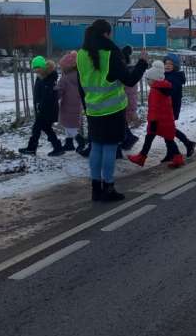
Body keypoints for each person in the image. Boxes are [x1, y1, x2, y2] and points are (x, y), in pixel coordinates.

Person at [77, 19, 148, 202]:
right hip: (112, 109)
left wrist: (87, 106)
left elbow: (80, 84)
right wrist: (142, 63)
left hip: (93, 110)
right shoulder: (111, 54)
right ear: (107, 34)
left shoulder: (81, 54)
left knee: (96, 147)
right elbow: (129, 80)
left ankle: (95, 188)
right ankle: (108, 186)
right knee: (109, 148)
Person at [127, 61, 185, 169]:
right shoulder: (165, 88)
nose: (147, 82)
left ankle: (141, 157)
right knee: (168, 139)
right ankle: (177, 157)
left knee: (152, 138)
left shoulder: (155, 91)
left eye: (148, 79)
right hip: (166, 120)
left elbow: (154, 108)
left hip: (157, 121)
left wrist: (153, 121)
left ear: (154, 79)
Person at [19, 56, 65, 157]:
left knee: (37, 128)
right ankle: (57, 147)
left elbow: (48, 97)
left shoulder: (48, 79)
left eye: (36, 68)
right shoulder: (41, 77)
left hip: (47, 110)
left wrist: (40, 106)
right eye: (34, 68)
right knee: (46, 128)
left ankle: (32, 148)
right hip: (43, 108)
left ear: (41, 67)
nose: (34, 71)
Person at [163, 53, 196, 158]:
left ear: (175, 66)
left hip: (171, 108)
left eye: (170, 64)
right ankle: (173, 151)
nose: (167, 65)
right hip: (165, 107)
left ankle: (187, 144)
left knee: (167, 129)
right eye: (166, 63)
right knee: (167, 130)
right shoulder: (166, 75)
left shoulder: (175, 77)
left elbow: (170, 92)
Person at [57, 51, 88, 154]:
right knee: (71, 125)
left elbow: (59, 92)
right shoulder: (81, 76)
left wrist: (54, 95)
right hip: (78, 105)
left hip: (67, 106)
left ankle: (81, 141)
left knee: (69, 127)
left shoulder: (64, 79)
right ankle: (69, 143)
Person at [120, 45, 140, 151]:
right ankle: (127, 140)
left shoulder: (123, 71)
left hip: (124, 100)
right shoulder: (132, 70)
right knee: (123, 121)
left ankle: (129, 139)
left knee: (122, 121)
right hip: (131, 99)